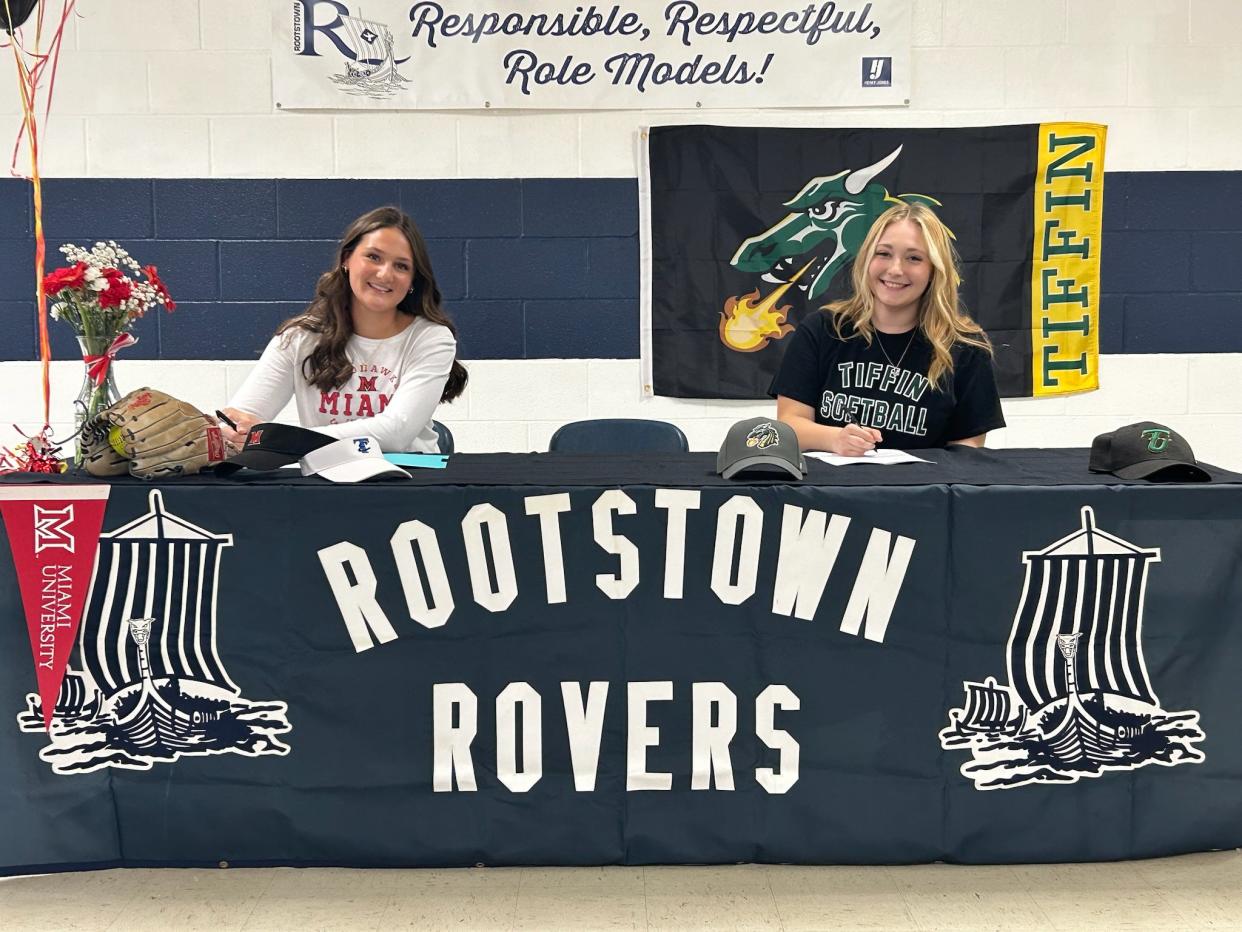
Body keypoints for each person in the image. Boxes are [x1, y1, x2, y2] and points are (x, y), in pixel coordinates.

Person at [220, 206, 467, 453]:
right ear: (347, 259)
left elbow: (396, 435)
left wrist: (281, 439)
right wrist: (231, 431)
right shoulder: (299, 337)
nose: (385, 274)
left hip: (413, 478)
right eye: (374, 257)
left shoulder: (431, 338)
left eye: (401, 266)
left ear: (413, 280)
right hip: (330, 478)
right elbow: (241, 419)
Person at [770, 202, 1004, 455]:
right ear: (867, 259)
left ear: (934, 270)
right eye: (883, 254)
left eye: (914, 258)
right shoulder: (822, 329)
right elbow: (789, 424)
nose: (895, 270)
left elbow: (968, 449)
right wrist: (835, 438)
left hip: (923, 492)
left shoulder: (965, 347)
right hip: (830, 490)